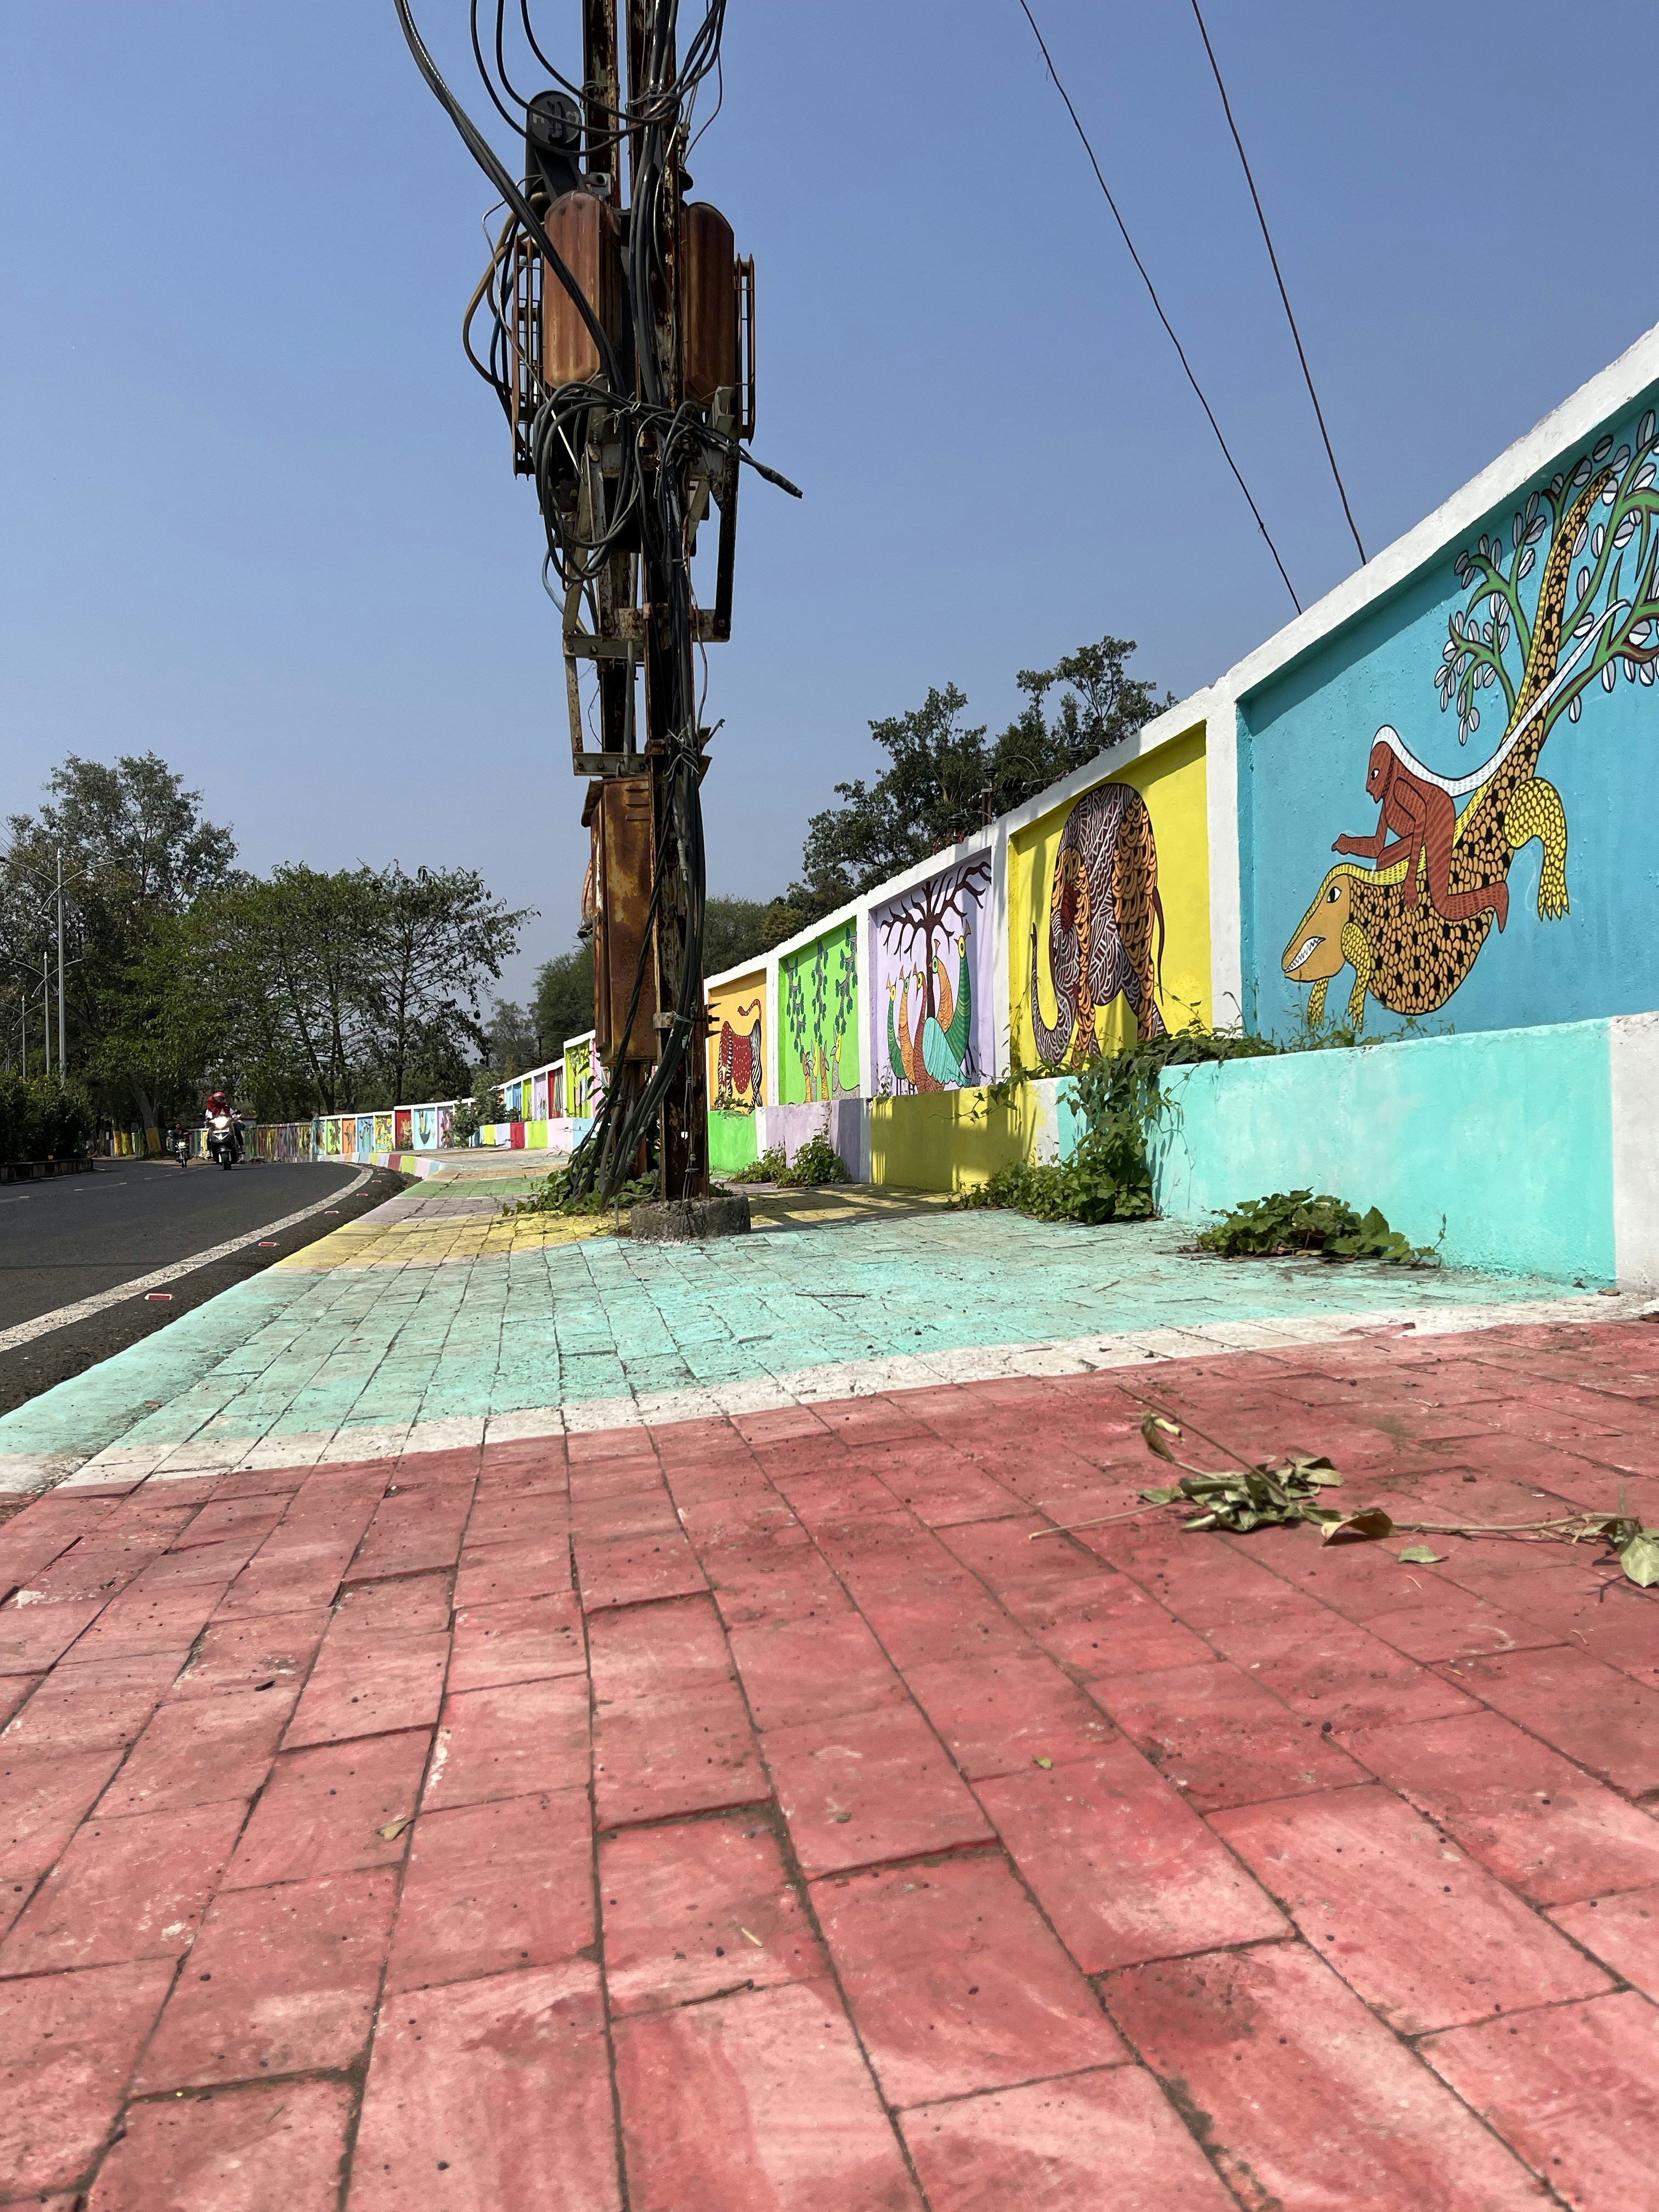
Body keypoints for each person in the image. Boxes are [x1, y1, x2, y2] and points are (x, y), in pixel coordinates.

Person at [204, 1088, 244, 1162]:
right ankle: (209, 1151)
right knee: (209, 1135)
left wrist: (236, 1119)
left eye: (221, 1098)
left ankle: (241, 1147)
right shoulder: (212, 1110)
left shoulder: (227, 1108)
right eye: (218, 1099)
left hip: (227, 1126)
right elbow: (208, 1117)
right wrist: (207, 1121)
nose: (220, 1100)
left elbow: (233, 1115)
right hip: (216, 1127)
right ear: (215, 1100)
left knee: (237, 1130)